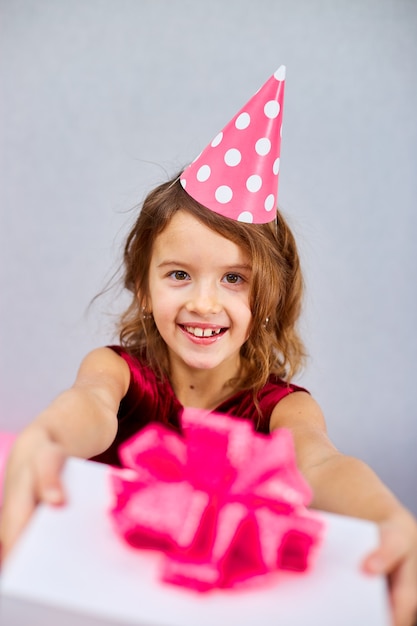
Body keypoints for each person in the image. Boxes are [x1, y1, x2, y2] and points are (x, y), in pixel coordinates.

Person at [1, 68, 416, 626]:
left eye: (234, 279)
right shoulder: (119, 372)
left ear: (267, 296)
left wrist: (386, 515)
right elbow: (92, 404)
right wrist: (49, 436)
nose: (203, 303)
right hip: (98, 600)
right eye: (178, 275)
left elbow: (318, 464)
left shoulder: (283, 409)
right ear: (144, 289)